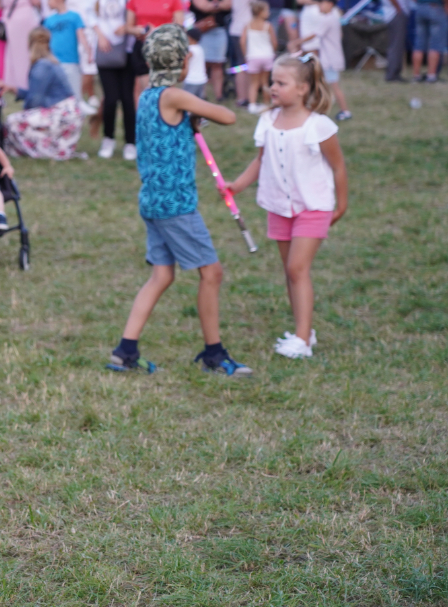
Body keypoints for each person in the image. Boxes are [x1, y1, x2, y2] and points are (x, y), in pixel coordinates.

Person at [107, 23, 250, 377]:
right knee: (211, 273)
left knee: (161, 275)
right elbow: (229, 116)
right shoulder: (174, 96)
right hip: (175, 205)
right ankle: (214, 354)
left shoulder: (147, 96)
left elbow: (168, 129)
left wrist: (190, 121)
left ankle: (125, 351)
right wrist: (196, 112)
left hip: (153, 201)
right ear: (184, 61)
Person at [228, 54, 347, 360]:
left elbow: (338, 168)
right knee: (290, 271)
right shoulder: (267, 121)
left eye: (281, 83)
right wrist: (237, 185)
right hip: (278, 206)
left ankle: (303, 340)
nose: (273, 88)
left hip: (313, 205)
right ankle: (303, 330)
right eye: (272, 82)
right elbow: (260, 160)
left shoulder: (319, 126)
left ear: (303, 88)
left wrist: (341, 205)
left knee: (297, 268)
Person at [90, 0, 144, 160]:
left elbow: (138, 8)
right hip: (106, 47)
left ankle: (131, 141)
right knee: (110, 98)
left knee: (128, 98)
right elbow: (89, 12)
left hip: (128, 47)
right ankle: (108, 137)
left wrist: (129, 28)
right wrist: (100, 35)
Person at [4, 26, 83, 161]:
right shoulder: (49, 63)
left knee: (13, 121)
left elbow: (35, 101)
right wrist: (15, 90)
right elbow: (41, 94)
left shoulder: (41, 66)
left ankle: (40, 151)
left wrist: (24, 115)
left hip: (62, 114)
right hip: (68, 112)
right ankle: (49, 148)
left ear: (29, 44)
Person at [230, 0, 297, 105]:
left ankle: (247, 97)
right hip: (242, 31)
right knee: (243, 66)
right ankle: (243, 98)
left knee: (244, 66)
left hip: (241, 29)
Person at [125, 0, 186, 110]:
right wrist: (142, 30)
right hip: (143, 49)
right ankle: (144, 124)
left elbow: (179, 26)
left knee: (165, 92)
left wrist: (158, 31)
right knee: (146, 91)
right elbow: (128, 26)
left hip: (165, 50)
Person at [189, 0, 231, 101]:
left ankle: (219, 95)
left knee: (218, 64)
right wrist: (219, 4)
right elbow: (203, 7)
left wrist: (212, 5)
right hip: (204, 33)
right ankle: (203, 95)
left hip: (218, 31)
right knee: (203, 64)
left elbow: (228, 4)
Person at [0, 0, 40, 91]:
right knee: (28, 50)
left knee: (14, 52)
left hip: (10, 20)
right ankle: (28, 80)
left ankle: (15, 82)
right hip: (26, 18)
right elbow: (36, 2)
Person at [42, 0, 87, 102]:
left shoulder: (74, 16)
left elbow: (81, 36)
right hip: (54, 62)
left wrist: (89, 53)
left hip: (71, 61)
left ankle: (77, 112)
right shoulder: (48, 20)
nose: (47, 3)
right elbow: (44, 41)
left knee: (75, 92)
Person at [381, 0, 413, 82]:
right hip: (396, 12)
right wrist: (399, 9)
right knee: (396, 45)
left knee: (397, 44)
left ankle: (395, 72)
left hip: (392, 11)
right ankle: (393, 74)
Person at [242, 0, 277, 112]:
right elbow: (274, 42)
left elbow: (242, 41)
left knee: (253, 82)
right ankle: (267, 104)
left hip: (253, 56)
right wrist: (273, 51)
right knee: (265, 81)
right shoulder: (268, 26)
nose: (268, 12)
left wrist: (246, 54)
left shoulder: (247, 26)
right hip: (267, 56)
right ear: (260, 12)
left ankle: (252, 105)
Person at [183, 28, 208, 98]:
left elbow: (186, 57)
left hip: (191, 80)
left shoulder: (190, 49)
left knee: (187, 101)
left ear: (190, 38)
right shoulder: (200, 48)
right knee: (199, 101)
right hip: (202, 79)